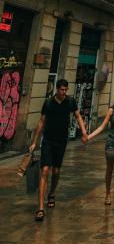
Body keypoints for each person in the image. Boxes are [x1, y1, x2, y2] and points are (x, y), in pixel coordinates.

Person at [29, 78, 88, 222]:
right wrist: (34, 142)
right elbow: (41, 122)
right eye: (62, 90)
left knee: (56, 171)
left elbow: (78, 116)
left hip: (61, 141)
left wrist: (84, 132)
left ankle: (52, 193)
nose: (64, 92)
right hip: (48, 140)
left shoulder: (70, 101)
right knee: (44, 171)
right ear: (57, 89)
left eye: (66, 90)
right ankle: (40, 208)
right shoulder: (48, 102)